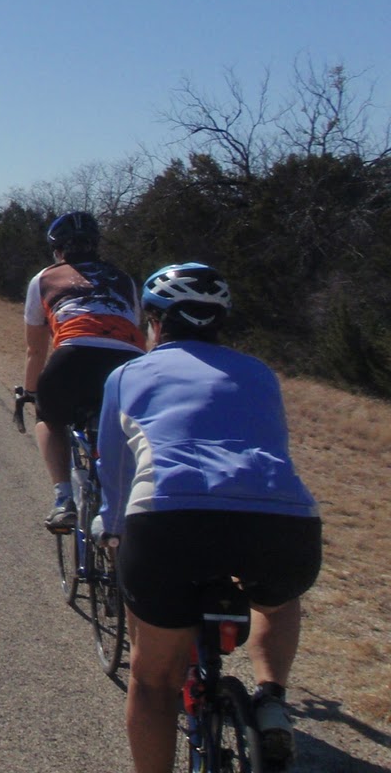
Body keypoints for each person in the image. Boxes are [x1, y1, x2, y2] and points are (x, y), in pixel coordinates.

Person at [96, 263, 320, 773]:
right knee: (279, 604)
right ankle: (270, 700)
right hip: (285, 522)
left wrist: (112, 528)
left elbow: (114, 470)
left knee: (154, 682)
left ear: (153, 320)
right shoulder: (260, 372)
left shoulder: (128, 374)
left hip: (171, 520)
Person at [22, 211, 144, 531]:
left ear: (57, 249)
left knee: (48, 418)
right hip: (129, 363)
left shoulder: (45, 278)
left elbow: (35, 350)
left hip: (72, 358)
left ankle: (64, 500)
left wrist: (31, 392)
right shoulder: (124, 279)